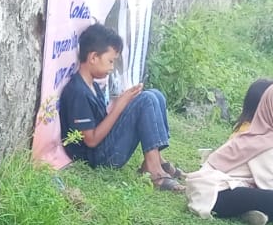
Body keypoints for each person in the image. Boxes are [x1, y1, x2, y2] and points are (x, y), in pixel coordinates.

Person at [57, 24, 185, 191]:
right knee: (146, 100)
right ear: (93, 57)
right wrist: (120, 106)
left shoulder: (92, 86)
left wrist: (125, 101)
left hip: (103, 147)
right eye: (110, 61)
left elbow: (102, 120)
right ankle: (154, 172)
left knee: (155, 95)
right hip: (96, 158)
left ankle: (156, 160)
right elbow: (91, 140)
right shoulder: (77, 92)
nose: (112, 67)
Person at [182, 82, 273, 225]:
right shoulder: (265, 144)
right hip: (215, 191)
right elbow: (270, 188)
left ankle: (250, 212)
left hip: (240, 186)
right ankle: (245, 211)